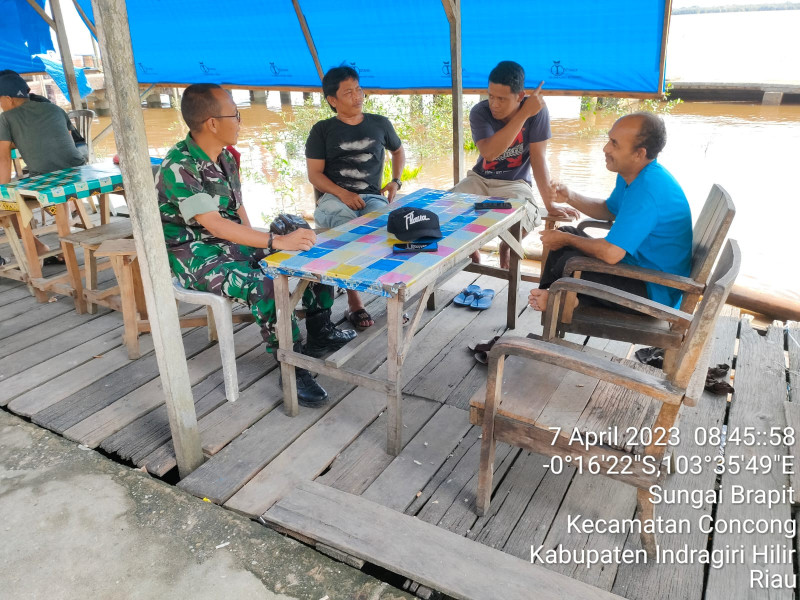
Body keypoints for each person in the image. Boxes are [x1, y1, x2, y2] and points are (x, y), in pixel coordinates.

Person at [156, 83, 356, 407]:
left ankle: (320, 330)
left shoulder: (225, 157)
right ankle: (290, 364)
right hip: (193, 254)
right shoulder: (179, 167)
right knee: (264, 283)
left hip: (228, 240)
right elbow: (214, 224)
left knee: (306, 243)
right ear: (212, 123)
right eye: (235, 115)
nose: (240, 121)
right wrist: (274, 242)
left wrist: (265, 248)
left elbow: (236, 211)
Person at [528, 111, 692, 313]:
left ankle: (562, 301)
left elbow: (611, 253)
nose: (605, 148)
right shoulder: (632, 175)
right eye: (609, 139)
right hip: (637, 269)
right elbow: (608, 209)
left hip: (653, 291)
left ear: (639, 154)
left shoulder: (648, 191)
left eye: (614, 143)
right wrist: (570, 196)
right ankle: (554, 298)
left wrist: (566, 240)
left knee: (568, 257)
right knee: (568, 236)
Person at [305, 66, 406, 330]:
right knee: (346, 227)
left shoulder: (380, 123)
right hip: (334, 198)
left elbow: (398, 151)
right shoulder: (322, 130)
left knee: (390, 228)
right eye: (348, 92)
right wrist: (343, 193)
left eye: (358, 89)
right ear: (333, 100)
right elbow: (314, 175)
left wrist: (395, 181)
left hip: (372, 197)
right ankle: (355, 302)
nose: (357, 96)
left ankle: (392, 296)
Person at [452, 61, 579, 269]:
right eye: (491, 96)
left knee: (526, 215)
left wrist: (550, 204)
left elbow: (538, 160)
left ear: (520, 96)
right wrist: (523, 114)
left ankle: (507, 246)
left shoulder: (537, 113)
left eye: (502, 99)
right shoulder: (480, 112)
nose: (494, 104)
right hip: (480, 179)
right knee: (449, 206)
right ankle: (472, 253)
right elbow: (490, 153)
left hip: (515, 183)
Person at [0, 70, 86, 261]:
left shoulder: (6, 118)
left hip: (48, 180)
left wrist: (2, 191)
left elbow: (4, 159)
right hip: (79, 174)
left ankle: (38, 247)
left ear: (8, 99)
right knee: (56, 188)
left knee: (10, 202)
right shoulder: (54, 109)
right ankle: (66, 243)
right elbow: (66, 138)